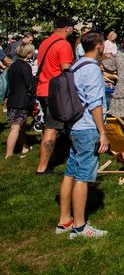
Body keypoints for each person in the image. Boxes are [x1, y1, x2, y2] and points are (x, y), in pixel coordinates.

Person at [56, 30, 109, 239]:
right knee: (83, 176)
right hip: (87, 126)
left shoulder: (76, 65)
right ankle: (79, 226)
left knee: (71, 170)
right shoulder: (92, 69)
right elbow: (95, 103)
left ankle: (64, 220)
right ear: (99, 46)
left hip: (74, 125)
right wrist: (102, 132)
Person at [35, 17, 78, 175]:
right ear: (67, 28)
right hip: (56, 91)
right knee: (52, 128)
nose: (73, 30)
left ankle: (50, 158)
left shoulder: (45, 42)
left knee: (48, 125)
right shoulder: (63, 44)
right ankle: (42, 167)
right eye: (72, 27)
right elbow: (66, 70)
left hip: (42, 88)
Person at [5, 43, 36, 158]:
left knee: (22, 125)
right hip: (21, 100)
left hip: (12, 98)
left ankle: (24, 146)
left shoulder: (12, 66)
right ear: (28, 54)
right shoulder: (25, 66)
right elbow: (29, 85)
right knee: (16, 127)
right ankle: (9, 154)